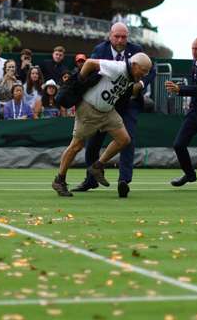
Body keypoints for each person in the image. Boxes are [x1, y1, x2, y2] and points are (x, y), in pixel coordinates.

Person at [53, 52, 153, 198]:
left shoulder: (132, 76)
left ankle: (97, 166)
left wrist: (139, 85)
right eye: (143, 71)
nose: (144, 74)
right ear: (134, 65)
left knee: (124, 139)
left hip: (107, 111)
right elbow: (90, 63)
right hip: (89, 109)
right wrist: (79, 83)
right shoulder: (117, 67)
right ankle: (59, 180)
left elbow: (128, 90)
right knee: (76, 145)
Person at [72, 22, 155, 196]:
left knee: (127, 140)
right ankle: (91, 179)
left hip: (129, 103)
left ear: (128, 37)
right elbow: (91, 72)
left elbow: (151, 70)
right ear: (110, 36)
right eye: (116, 36)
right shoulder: (99, 50)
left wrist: (140, 83)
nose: (120, 40)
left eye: (123, 36)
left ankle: (124, 181)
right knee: (93, 143)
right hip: (106, 104)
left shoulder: (137, 50)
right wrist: (77, 92)